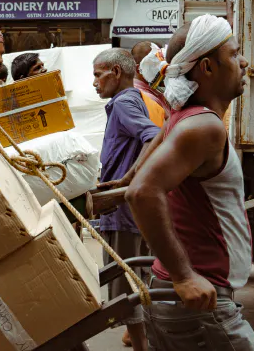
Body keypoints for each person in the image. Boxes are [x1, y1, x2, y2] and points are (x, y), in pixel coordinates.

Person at [124, 15, 254, 350]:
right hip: (201, 306)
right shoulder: (203, 127)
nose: (243, 62)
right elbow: (142, 192)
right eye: (234, 54)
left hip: (188, 301)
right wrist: (184, 276)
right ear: (208, 69)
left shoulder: (185, 117)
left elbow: (141, 176)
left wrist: (122, 183)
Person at [92, 48, 162, 351]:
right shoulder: (128, 101)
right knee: (135, 282)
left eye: (98, 75)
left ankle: (143, 346)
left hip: (122, 211)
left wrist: (127, 179)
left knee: (127, 287)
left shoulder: (124, 102)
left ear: (116, 73)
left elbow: (154, 135)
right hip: (125, 210)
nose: (94, 83)